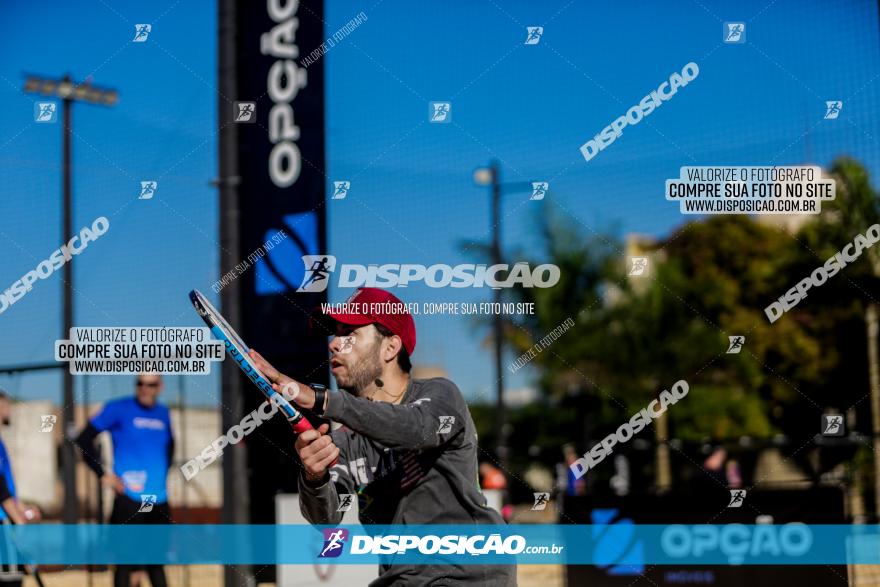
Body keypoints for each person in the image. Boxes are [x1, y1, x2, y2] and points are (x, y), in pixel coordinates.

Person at [249, 287, 516, 586]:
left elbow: (418, 430)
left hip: (467, 576)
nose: (334, 344)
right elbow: (326, 518)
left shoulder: (441, 395)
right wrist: (314, 478)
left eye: (349, 334)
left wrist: (321, 399)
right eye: (335, 335)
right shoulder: (344, 442)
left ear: (390, 347)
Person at [75, 374, 174, 587]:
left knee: (156, 564)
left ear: (160, 386)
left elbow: (170, 446)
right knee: (125, 564)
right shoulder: (118, 408)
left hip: (159, 500)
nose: (145, 389)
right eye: (140, 384)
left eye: (151, 384)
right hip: (129, 501)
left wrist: (163, 475)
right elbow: (83, 439)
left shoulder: (164, 413)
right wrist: (104, 474)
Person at [0, 392, 41, 587]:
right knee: (11, 580)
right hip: (4, 522)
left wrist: (20, 506)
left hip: (8, 517)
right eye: (6, 405)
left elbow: (5, 484)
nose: (9, 410)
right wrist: (16, 517)